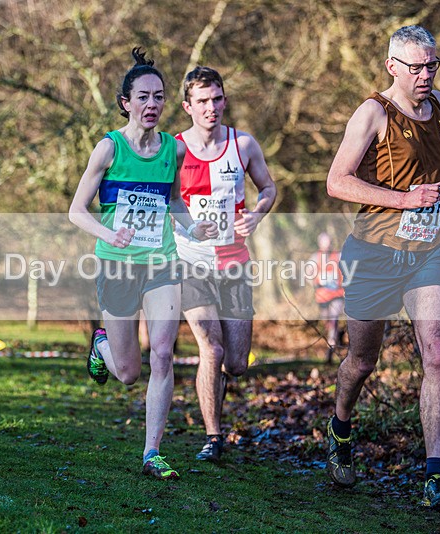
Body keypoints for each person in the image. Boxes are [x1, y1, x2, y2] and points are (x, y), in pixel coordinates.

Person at [325, 25, 440, 510]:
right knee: (362, 363)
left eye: (432, 65)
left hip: (427, 253)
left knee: (436, 352)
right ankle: (341, 424)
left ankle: (435, 476)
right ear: (393, 66)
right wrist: (403, 200)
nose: (426, 75)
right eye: (416, 67)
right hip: (373, 255)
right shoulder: (372, 113)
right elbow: (337, 182)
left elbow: (435, 164)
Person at [69, 48, 217, 480]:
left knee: (165, 353)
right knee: (129, 372)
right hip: (117, 264)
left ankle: (152, 452)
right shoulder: (108, 149)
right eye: (143, 97)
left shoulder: (174, 148)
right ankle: (101, 347)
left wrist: (192, 228)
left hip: (161, 263)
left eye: (159, 97)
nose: (152, 105)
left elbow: (172, 202)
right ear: (125, 103)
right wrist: (109, 233)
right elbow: (77, 210)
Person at [174, 66, 276, 462]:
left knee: (235, 363)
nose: (210, 107)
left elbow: (268, 187)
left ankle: (215, 401)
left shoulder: (244, 145)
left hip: (234, 262)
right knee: (211, 349)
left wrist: (257, 214)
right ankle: (213, 438)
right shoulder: (175, 149)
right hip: (191, 262)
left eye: (216, 99)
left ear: (224, 100)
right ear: (188, 106)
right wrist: (185, 224)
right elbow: (161, 199)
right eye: (201, 101)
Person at [309, 232, 345, 363]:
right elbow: (308, 275)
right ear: (320, 244)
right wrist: (316, 280)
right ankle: (337, 335)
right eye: (324, 243)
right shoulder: (315, 258)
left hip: (337, 295)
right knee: (327, 321)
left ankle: (331, 349)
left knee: (334, 318)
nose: (327, 245)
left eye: (329, 242)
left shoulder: (339, 256)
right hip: (322, 296)